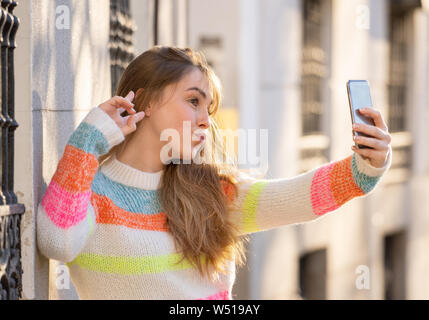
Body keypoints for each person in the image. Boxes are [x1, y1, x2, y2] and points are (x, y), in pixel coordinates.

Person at [36, 45, 392, 300]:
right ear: (143, 101)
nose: (206, 120)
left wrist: (366, 165)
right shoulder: (89, 189)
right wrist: (87, 141)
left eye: (209, 107)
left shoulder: (210, 192)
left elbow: (300, 198)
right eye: (193, 101)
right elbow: (56, 241)